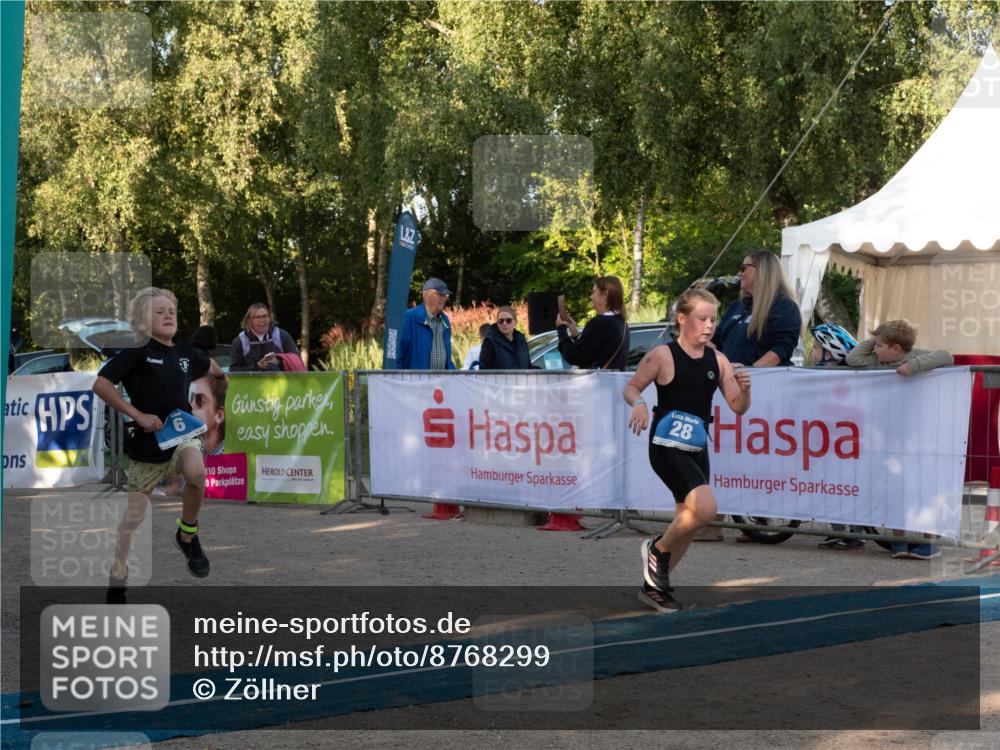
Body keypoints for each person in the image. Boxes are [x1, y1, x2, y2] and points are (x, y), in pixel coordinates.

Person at [93, 288, 224, 603]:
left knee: (196, 473)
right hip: (146, 450)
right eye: (159, 311)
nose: (168, 316)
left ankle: (187, 535)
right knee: (133, 520)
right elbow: (100, 384)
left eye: (172, 311)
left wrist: (219, 378)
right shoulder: (137, 351)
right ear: (141, 321)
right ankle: (118, 576)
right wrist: (137, 415)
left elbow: (215, 371)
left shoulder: (186, 353)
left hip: (181, 438)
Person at [624, 289, 751, 612]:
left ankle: (655, 587)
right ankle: (656, 548)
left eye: (713, 319)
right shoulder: (663, 356)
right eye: (702, 319)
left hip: (695, 445)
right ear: (682, 319)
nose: (709, 326)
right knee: (706, 509)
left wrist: (746, 390)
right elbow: (631, 386)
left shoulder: (718, 360)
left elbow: (738, 407)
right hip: (666, 445)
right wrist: (639, 403)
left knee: (690, 523)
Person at [699, 251, 802, 541]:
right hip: (725, 391)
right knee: (723, 457)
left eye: (745, 267)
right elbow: (716, 343)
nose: (740, 273)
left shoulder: (783, 307)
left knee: (757, 459)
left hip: (761, 393)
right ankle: (714, 522)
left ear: (764, 271)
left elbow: (782, 348)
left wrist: (750, 372)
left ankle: (752, 519)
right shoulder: (736, 306)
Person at [844, 319, 954, 560]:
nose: (874, 349)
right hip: (889, 436)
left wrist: (913, 366)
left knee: (923, 489)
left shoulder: (914, 356)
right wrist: (876, 338)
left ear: (896, 349)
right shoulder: (875, 360)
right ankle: (899, 541)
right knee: (895, 488)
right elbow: (853, 358)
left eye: (880, 345)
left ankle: (927, 544)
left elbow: (947, 356)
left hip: (919, 435)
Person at [810, 323, 866, 550]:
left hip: (848, 444)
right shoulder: (819, 377)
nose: (811, 351)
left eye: (815, 347)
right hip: (829, 443)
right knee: (831, 485)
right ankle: (838, 530)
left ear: (830, 352)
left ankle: (855, 532)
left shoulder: (847, 380)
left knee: (847, 485)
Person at [555, 276, 629, 371]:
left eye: (593, 292)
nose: (591, 296)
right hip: (612, 383)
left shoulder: (601, 323)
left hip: (599, 384)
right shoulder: (621, 322)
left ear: (605, 294)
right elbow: (592, 350)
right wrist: (575, 333)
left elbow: (574, 356)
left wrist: (561, 329)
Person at [398, 277, 455, 370]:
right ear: (426, 295)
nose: (444, 298)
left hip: (442, 381)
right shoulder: (410, 317)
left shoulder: (445, 320)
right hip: (416, 382)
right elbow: (399, 355)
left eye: (445, 295)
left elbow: (447, 358)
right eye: (440, 294)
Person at [229, 303, 300, 372]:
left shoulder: (282, 335)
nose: (262, 320)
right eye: (257, 317)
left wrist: (278, 361)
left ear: (269, 318)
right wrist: (256, 366)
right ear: (249, 321)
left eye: (265, 316)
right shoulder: (240, 341)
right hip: (252, 383)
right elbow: (234, 371)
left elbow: (296, 360)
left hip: (280, 382)